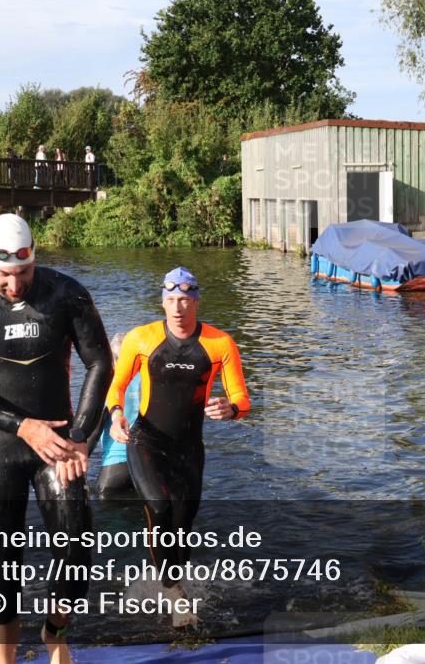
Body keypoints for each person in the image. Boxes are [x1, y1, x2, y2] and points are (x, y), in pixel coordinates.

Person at [0, 213, 112, 664]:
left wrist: (81, 436)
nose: (15, 285)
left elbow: (100, 363)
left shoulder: (66, 294)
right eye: (4, 276)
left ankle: (55, 633)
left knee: (77, 556)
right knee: (3, 573)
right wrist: (22, 425)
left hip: (59, 447)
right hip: (1, 450)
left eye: (24, 272)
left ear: (34, 259)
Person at [106, 266, 250, 627]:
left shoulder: (219, 344)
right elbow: (116, 386)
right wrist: (116, 415)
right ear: (163, 302)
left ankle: (173, 580)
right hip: (146, 440)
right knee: (159, 506)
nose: (177, 307)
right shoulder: (142, 339)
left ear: (196, 302)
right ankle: (174, 595)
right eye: (171, 299)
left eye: (185, 299)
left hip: (188, 448)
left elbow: (242, 399)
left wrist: (230, 409)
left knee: (182, 529)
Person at [89, 333, 140, 499]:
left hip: (116, 469)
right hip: (147, 467)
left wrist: (78, 458)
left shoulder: (108, 386)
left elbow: (94, 431)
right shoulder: (148, 382)